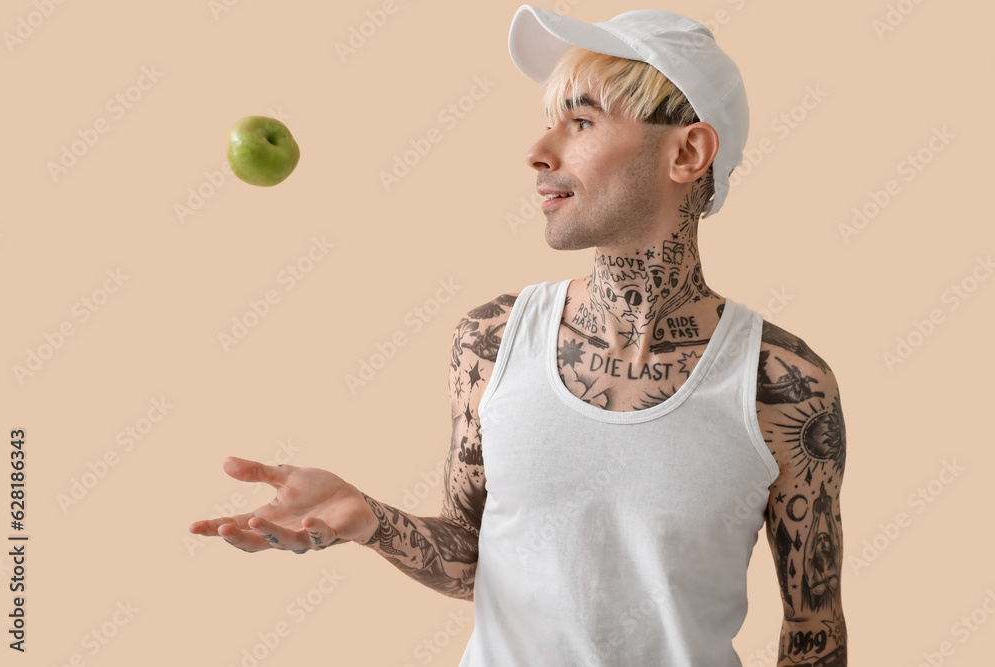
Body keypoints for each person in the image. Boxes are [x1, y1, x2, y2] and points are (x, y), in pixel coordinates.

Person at [189, 6, 848, 666]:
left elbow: (813, 633)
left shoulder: (781, 385)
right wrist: (369, 518)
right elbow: (476, 557)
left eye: (582, 121)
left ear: (686, 152)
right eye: (550, 123)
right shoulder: (492, 341)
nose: (538, 153)